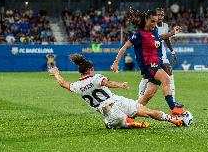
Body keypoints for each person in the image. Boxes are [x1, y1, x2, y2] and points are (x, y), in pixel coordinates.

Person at [49, 54, 193, 129]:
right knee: (147, 111)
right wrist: (121, 85)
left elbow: (63, 83)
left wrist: (56, 73)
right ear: (90, 70)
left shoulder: (77, 86)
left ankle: (127, 123)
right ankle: (173, 120)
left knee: (116, 122)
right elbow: (106, 83)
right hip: (117, 102)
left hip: (108, 110)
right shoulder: (95, 77)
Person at [111, 9, 188, 116]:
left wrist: (172, 33)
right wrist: (116, 63)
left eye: (155, 22)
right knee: (166, 78)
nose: (154, 24)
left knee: (147, 97)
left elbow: (159, 38)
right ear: (146, 20)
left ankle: (125, 116)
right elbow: (125, 47)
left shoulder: (154, 30)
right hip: (149, 65)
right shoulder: (139, 35)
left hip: (157, 63)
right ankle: (174, 108)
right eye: (152, 21)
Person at [138, 8, 178, 102]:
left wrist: (172, 51)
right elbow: (158, 37)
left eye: (162, 15)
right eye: (158, 15)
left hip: (160, 51)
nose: (160, 17)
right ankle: (139, 97)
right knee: (146, 76)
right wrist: (172, 33)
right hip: (149, 51)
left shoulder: (165, 26)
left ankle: (173, 100)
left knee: (169, 71)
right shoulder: (150, 25)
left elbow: (166, 39)